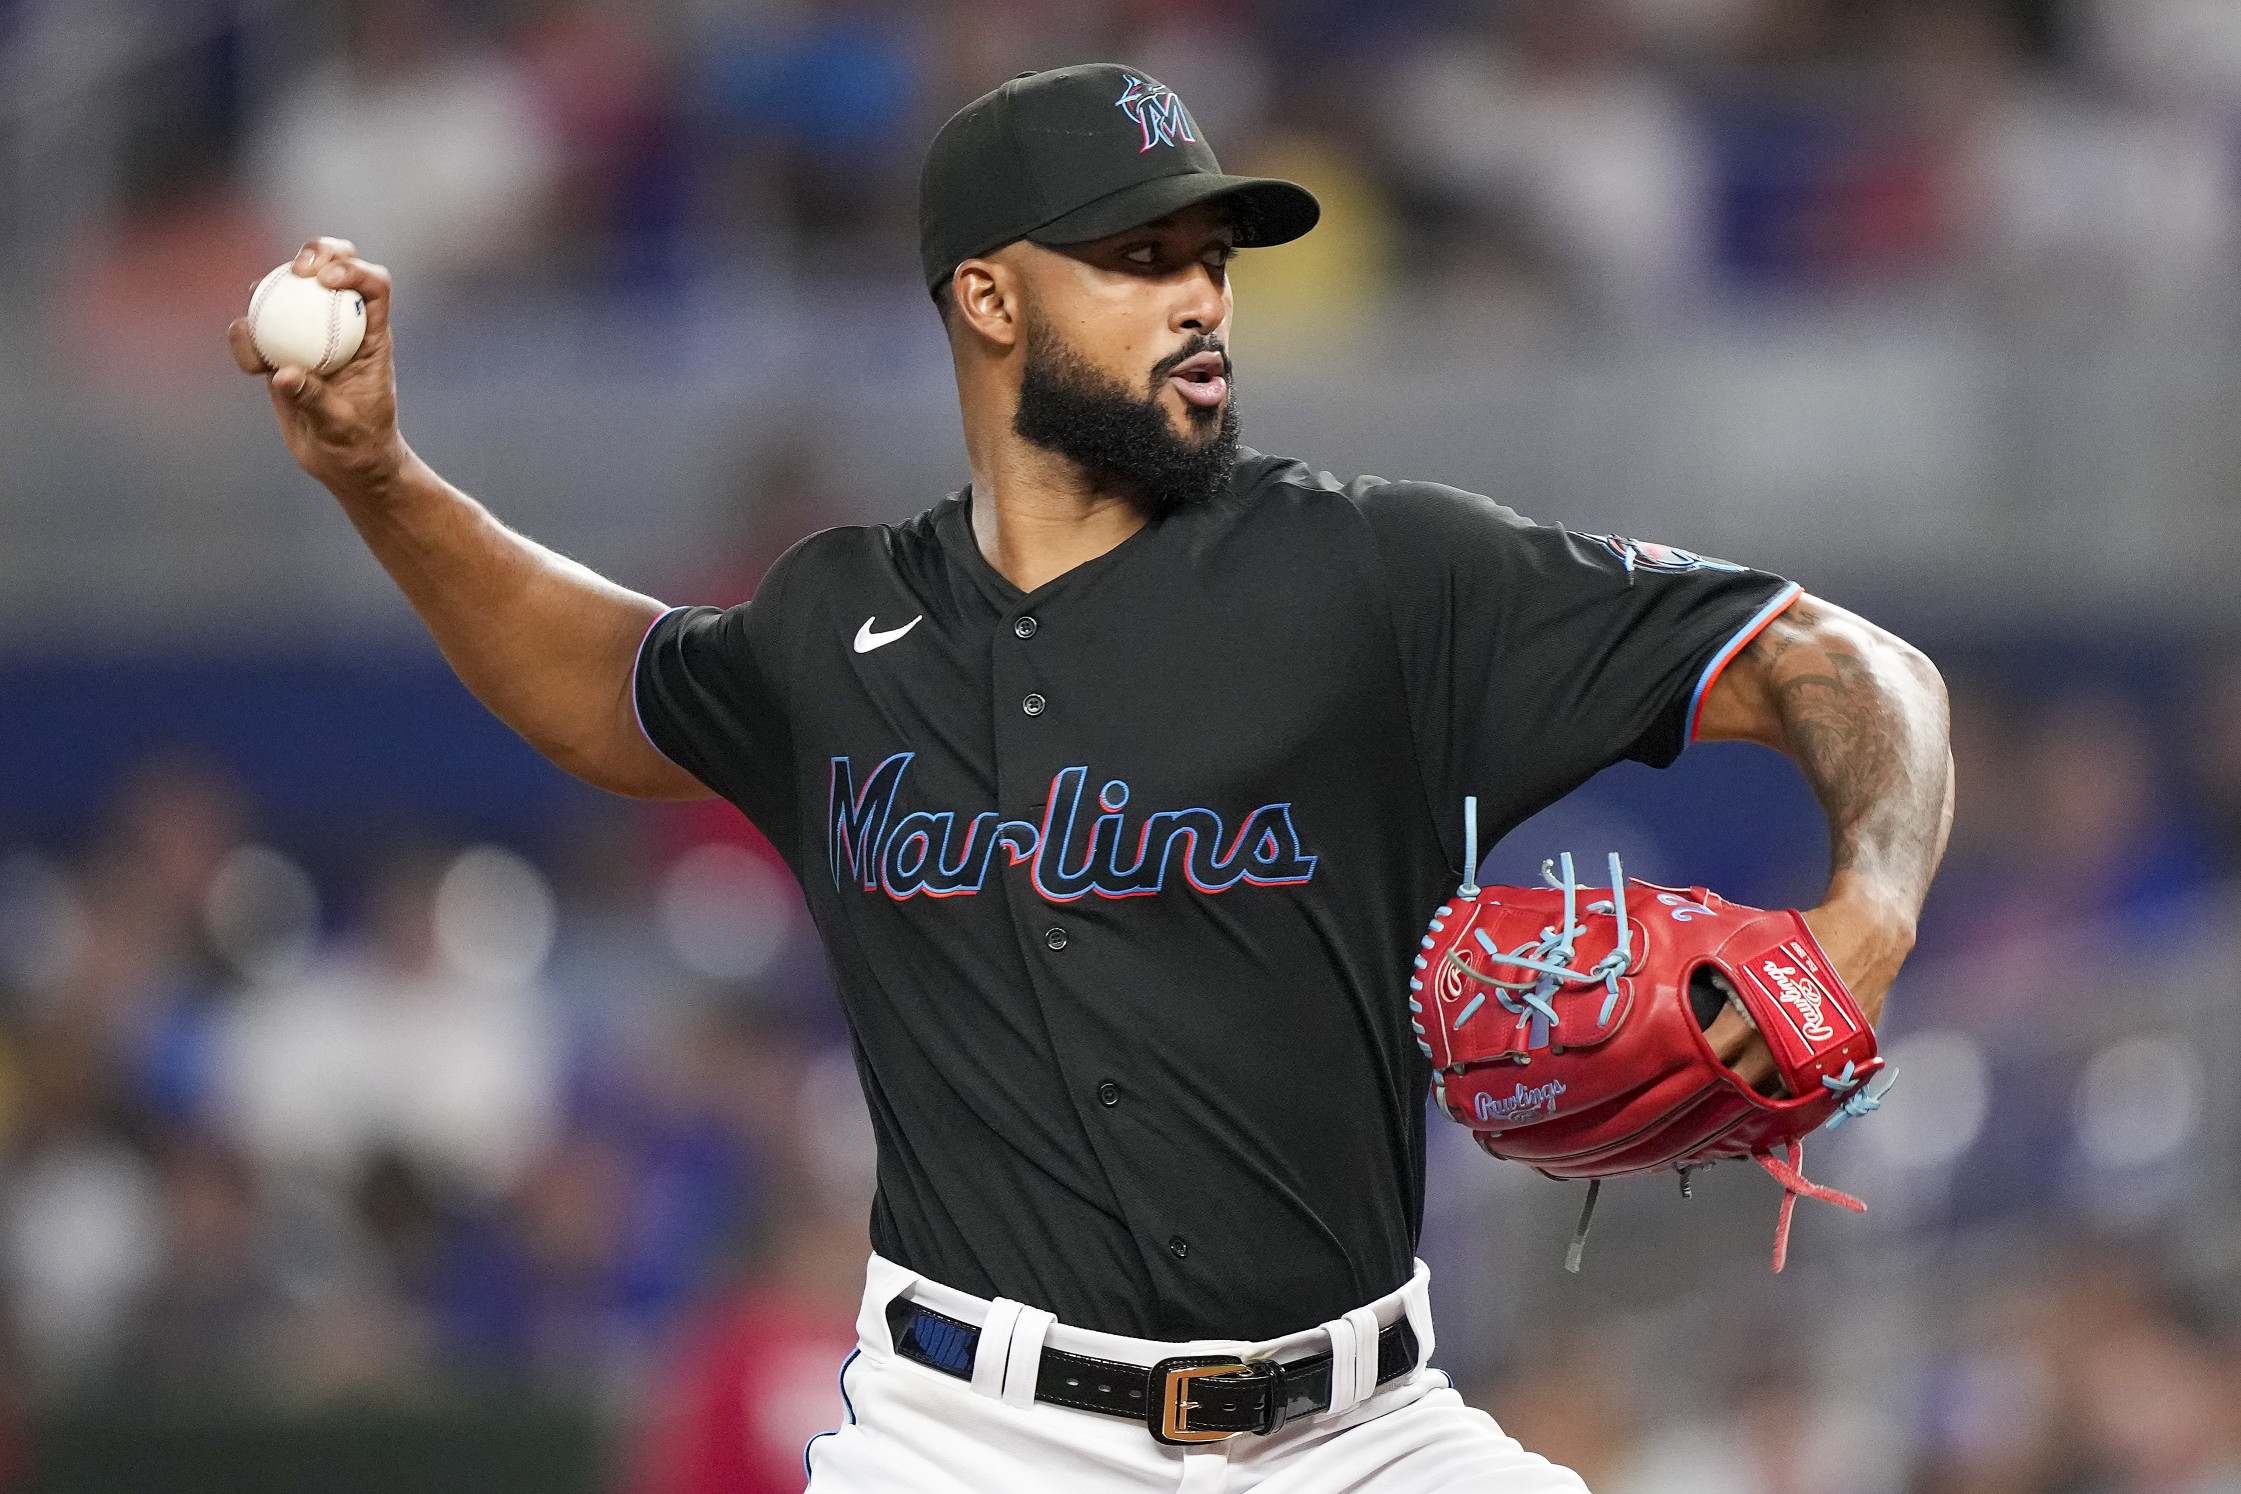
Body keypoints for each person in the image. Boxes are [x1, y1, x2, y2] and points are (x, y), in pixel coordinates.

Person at [230, 62, 1952, 1494]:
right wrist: (380, 475)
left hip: (1360, 1433)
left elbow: (1845, 663)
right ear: (988, 296)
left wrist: (1861, 920)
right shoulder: (838, 627)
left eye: (1211, 252)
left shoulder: (1381, 577)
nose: (1199, 292)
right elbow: (608, 683)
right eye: (1136, 256)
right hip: (971, 1436)